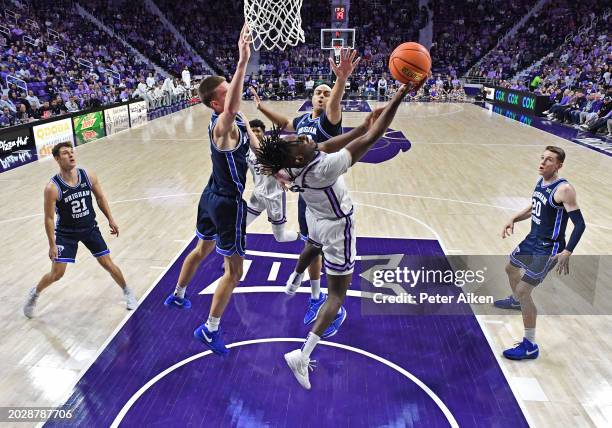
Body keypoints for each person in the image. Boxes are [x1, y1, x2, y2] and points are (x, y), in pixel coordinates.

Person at [255, 82, 417, 389]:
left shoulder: (288, 167)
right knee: (337, 296)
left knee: (312, 243)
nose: (306, 138)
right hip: (338, 225)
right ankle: (302, 355)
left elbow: (326, 145)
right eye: (301, 141)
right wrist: (399, 95)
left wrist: (360, 126)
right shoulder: (324, 168)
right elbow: (375, 136)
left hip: (316, 215)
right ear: (301, 157)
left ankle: (295, 277)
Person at [163, 24, 259, 356]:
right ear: (217, 102)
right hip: (228, 204)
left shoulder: (238, 121)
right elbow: (232, 110)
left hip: (210, 194)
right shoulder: (223, 125)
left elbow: (254, 149)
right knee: (235, 271)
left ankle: (178, 294)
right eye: (228, 88)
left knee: (201, 249)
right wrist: (242, 61)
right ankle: (210, 329)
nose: (234, 88)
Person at [252, 48, 360, 331]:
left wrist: (340, 81)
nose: (323, 96)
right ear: (311, 97)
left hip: (325, 193)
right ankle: (315, 295)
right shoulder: (301, 123)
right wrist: (261, 108)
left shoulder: (328, 122)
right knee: (311, 244)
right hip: (306, 197)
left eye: (326, 93)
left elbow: (335, 104)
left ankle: (326, 299)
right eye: (319, 93)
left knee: (322, 245)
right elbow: (286, 125)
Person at [23, 142, 137, 318]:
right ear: (56, 159)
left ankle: (127, 291)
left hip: (89, 228)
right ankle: (35, 294)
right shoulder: (52, 187)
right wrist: (52, 244)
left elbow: (100, 197)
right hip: (66, 234)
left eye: (72, 151)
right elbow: (49, 218)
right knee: (57, 274)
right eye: (65, 153)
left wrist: (110, 219)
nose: (70, 155)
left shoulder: (88, 175)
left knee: (107, 262)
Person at [495, 146, 585, 360]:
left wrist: (568, 250)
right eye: (542, 158)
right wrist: (513, 218)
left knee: (525, 290)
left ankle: (530, 345)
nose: (543, 162)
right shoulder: (541, 181)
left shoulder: (564, 190)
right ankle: (517, 301)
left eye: (549, 160)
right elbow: (534, 206)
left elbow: (580, 224)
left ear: (559, 165)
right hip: (532, 239)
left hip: (549, 247)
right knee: (510, 268)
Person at [245, 116, 299, 242]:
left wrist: (276, 171)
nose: (255, 133)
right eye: (252, 131)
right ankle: (237, 254)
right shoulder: (247, 150)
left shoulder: (275, 148)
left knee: (280, 238)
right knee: (240, 226)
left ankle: (303, 237)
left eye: (258, 130)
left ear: (264, 132)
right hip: (257, 196)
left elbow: (290, 172)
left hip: (275, 197)